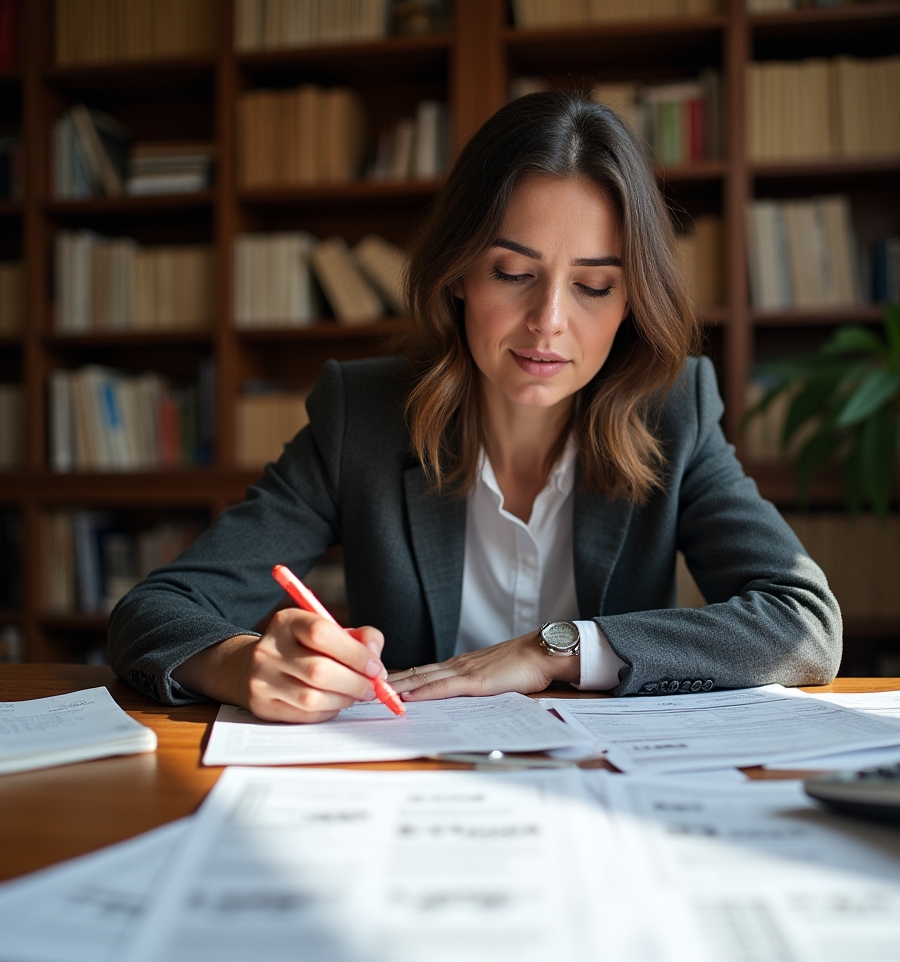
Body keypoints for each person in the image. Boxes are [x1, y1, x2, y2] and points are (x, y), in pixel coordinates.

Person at [109, 91, 842, 722]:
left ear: (630, 302)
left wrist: (555, 648)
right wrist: (242, 665)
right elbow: (155, 610)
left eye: (593, 286)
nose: (549, 320)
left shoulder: (673, 410)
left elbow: (803, 624)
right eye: (514, 272)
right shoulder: (360, 416)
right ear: (459, 273)